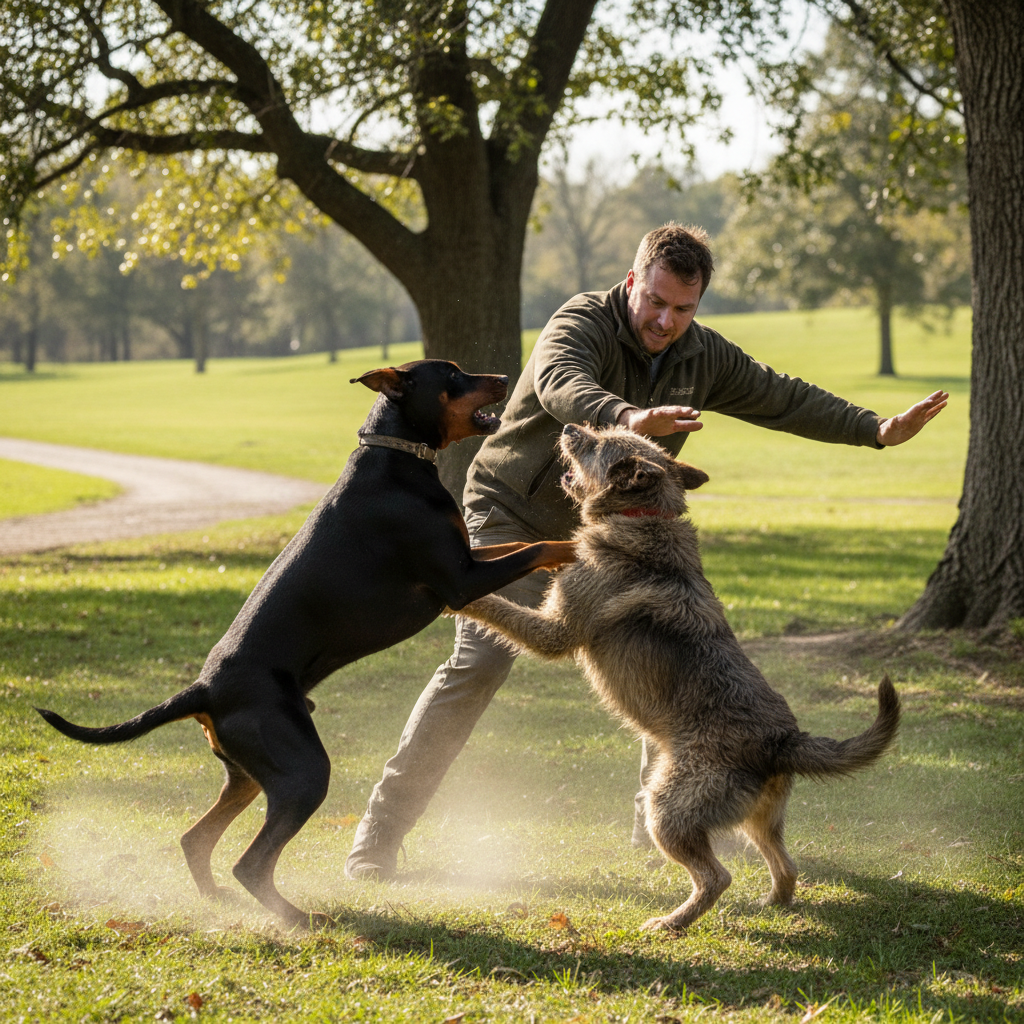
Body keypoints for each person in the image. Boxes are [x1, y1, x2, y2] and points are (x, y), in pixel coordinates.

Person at [345, 223, 947, 879]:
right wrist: (627, 418)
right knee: (480, 660)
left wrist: (875, 430)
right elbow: (558, 382)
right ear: (633, 282)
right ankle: (378, 835)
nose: (666, 320)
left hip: (620, 529)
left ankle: (660, 828)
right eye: (655, 302)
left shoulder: (701, 357)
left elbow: (781, 395)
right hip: (514, 506)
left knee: (664, 659)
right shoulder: (583, 320)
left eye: (683, 309)